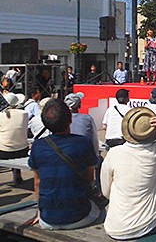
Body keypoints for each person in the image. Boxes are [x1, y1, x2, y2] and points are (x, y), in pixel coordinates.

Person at [100, 107, 156, 240]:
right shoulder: (155, 152)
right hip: (145, 226)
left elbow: (106, 191)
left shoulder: (114, 153)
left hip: (114, 227)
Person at [27, 99, 100, 229]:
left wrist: (40, 212)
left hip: (47, 218)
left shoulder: (37, 146)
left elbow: (37, 182)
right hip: (79, 216)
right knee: (101, 209)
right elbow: (90, 178)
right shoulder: (83, 143)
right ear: (70, 119)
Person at [0, 93, 29, 184]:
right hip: (22, 150)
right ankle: (17, 174)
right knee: (16, 139)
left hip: (4, 152)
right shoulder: (24, 113)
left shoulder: (1, 115)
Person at [64, 92, 99, 157]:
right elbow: (94, 138)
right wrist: (96, 155)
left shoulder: (61, 119)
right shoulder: (87, 119)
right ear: (79, 105)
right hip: (83, 155)